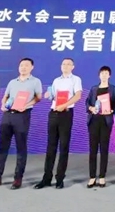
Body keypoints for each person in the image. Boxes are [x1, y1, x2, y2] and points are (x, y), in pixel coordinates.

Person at [0, 58, 42, 189]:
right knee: (2, 147)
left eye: (26, 65)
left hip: (22, 116)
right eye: (21, 65)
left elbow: (38, 97)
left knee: (21, 148)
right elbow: (6, 96)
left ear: (32, 67)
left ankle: (18, 178)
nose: (23, 67)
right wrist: (3, 104)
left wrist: (26, 105)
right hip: (8, 115)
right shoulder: (12, 82)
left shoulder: (35, 81)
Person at [34, 58, 82, 189]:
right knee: (50, 147)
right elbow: (53, 97)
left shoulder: (76, 79)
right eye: (63, 64)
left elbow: (78, 96)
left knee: (64, 146)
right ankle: (46, 178)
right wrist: (48, 95)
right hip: (53, 113)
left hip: (66, 113)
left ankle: (60, 178)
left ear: (73, 67)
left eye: (68, 64)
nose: (65, 66)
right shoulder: (56, 80)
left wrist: (64, 105)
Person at [85, 65, 115, 188]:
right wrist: (91, 108)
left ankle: (102, 176)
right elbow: (87, 102)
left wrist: (112, 110)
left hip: (106, 122)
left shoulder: (113, 89)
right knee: (93, 149)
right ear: (99, 75)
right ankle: (92, 176)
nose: (104, 75)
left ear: (109, 75)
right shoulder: (94, 89)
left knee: (104, 149)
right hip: (94, 120)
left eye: (106, 73)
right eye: (102, 73)